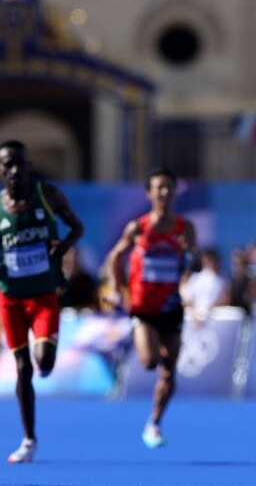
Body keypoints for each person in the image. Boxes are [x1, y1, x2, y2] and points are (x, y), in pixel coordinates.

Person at [0, 139, 84, 464]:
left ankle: (44, 362)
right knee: (22, 367)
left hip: (44, 295)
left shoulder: (48, 195)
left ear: (29, 166)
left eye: (21, 163)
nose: (17, 170)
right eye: (9, 165)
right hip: (10, 298)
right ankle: (29, 438)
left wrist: (61, 248)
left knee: (43, 362)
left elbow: (77, 227)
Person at [104, 167, 199, 449]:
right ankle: (131, 342)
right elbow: (114, 257)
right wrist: (117, 289)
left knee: (169, 372)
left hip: (171, 306)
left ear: (175, 191)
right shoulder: (138, 228)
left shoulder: (185, 228)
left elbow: (193, 264)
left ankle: (154, 423)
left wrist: (190, 257)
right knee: (149, 361)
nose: (164, 192)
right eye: (159, 187)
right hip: (143, 307)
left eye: (169, 187)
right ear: (149, 193)